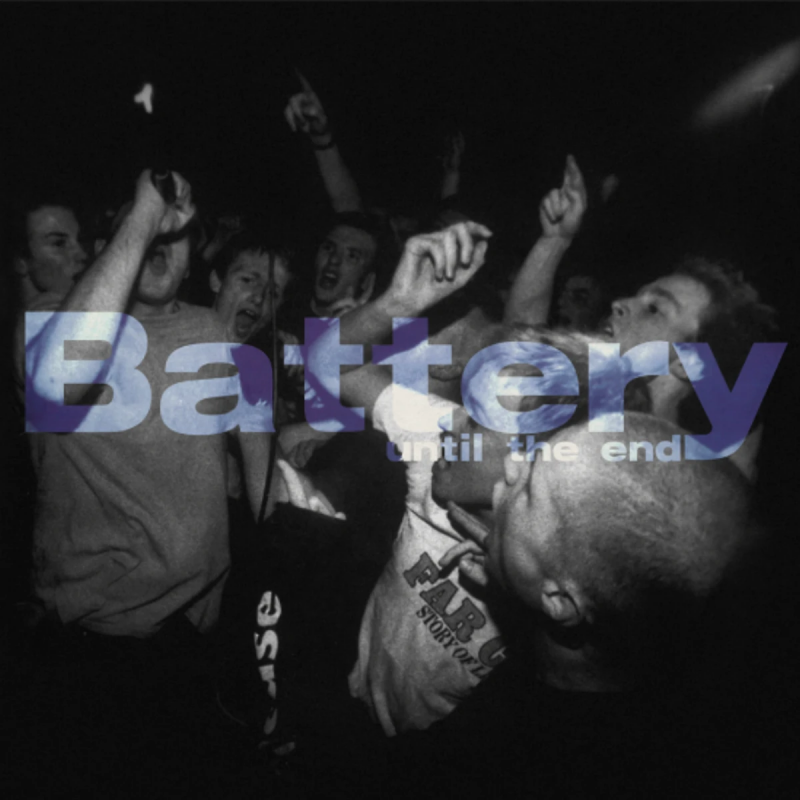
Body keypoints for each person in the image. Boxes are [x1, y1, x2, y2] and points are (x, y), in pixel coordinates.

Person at [383, 413, 763, 799]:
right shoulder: (617, 672)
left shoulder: (519, 758)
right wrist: (514, 580)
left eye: (530, 493)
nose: (513, 464)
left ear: (559, 602)